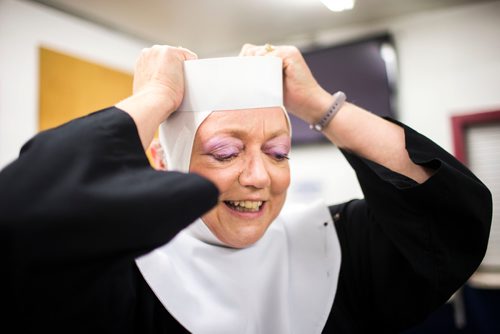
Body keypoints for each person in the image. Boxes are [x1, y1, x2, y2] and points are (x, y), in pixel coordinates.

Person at [0, 43, 492, 333]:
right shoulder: (115, 275)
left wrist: (319, 104)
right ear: (161, 161)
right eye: (224, 153)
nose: (259, 176)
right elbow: (25, 211)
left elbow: (453, 216)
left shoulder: (334, 245)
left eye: (279, 153)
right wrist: (155, 97)